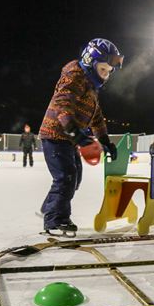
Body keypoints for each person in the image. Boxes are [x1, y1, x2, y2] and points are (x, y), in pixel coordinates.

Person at [38, 38, 122, 235]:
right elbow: (63, 105)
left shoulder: (91, 87)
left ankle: (50, 208)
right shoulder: (74, 75)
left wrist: (105, 141)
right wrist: (76, 133)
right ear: (89, 63)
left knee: (74, 178)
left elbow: (97, 117)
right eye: (103, 70)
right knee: (65, 177)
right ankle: (55, 220)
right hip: (55, 134)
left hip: (68, 139)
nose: (106, 76)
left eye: (109, 72)